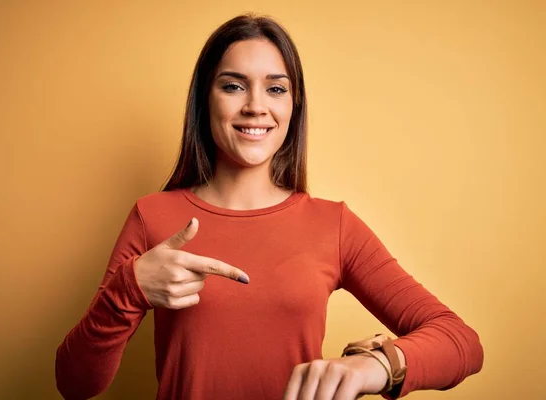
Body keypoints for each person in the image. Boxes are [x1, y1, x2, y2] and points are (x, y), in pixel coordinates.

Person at [55, 14, 483, 400]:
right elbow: (74, 384)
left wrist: (377, 364)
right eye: (233, 85)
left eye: (275, 88)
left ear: (293, 108)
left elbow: (460, 341)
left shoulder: (332, 225)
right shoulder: (152, 217)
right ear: (206, 101)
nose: (255, 105)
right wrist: (127, 291)